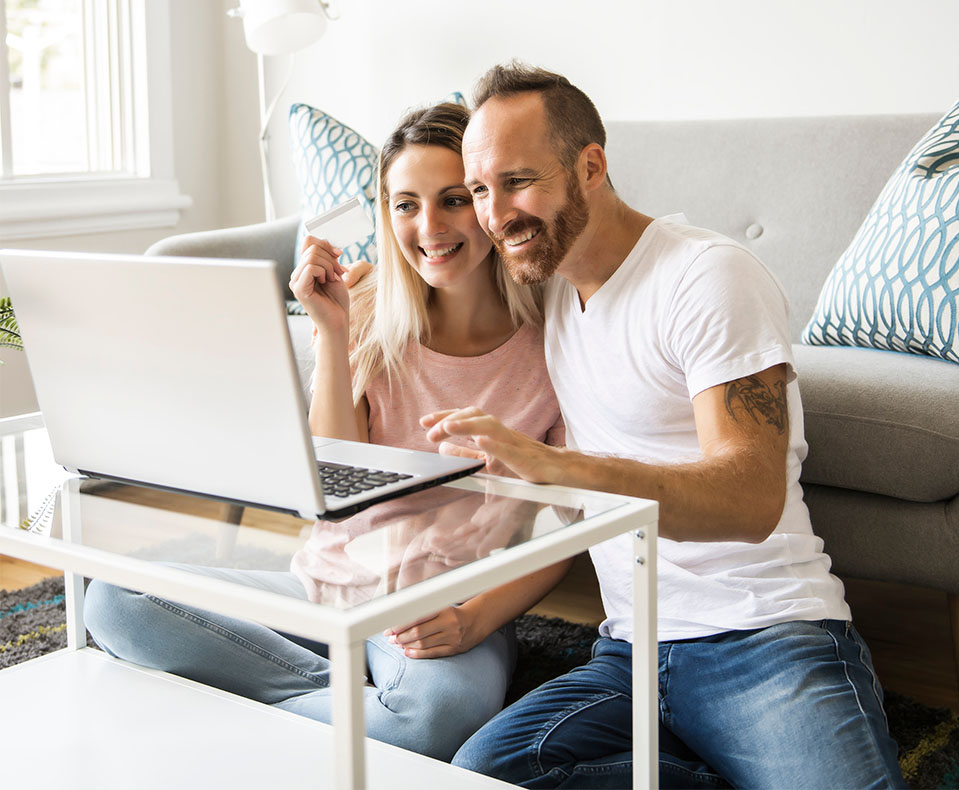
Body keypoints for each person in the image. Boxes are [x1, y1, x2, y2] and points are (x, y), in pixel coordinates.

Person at [422, 64, 906, 788]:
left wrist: (565, 468)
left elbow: (750, 498)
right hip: (630, 649)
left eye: (518, 181)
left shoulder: (707, 277)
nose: (497, 214)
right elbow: (431, 268)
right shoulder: (543, 283)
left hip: (763, 635)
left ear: (591, 166)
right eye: (483, 190)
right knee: (479, 777)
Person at [84, 101, 568, 762]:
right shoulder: (366, 308)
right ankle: (344, 710)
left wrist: (476, 619)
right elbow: (333, 473)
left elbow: (572, 526)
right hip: (325, 584)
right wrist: (332, 336)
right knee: (114, 603)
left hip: (440, 611)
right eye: (405, 205)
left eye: (453, 199)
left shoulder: (556, 345)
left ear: (486, 200)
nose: (428, 227)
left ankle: (242, 709)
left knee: (435, 721)